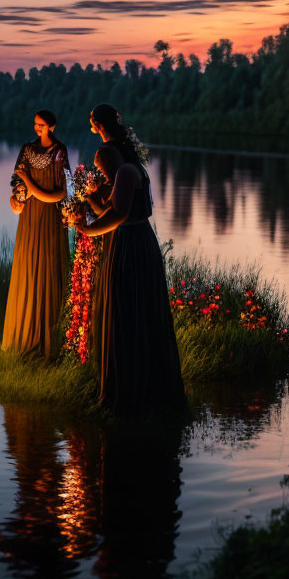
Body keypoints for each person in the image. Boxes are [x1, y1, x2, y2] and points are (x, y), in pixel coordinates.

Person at [76, 105, 185, 414]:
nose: (101, 173)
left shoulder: (123, 171)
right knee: (132, 310)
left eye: (100, 166)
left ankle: (130, 395)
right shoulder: (131, 167)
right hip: (135, 241)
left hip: (131, 246)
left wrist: (88, 229)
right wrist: (89, 199)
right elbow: (111, 209)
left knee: (128, 310)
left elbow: (119, 215)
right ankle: (134, 388)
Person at [2, 110, 70, 358]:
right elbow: (16, 182)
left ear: (51, 126)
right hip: (29, 217)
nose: (37, 127)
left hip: (50, 218)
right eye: (35, 124)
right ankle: (24, 334)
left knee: (48, 267)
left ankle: (49, 340)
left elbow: (63, 192)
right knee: (29, 266)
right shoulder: (27, 149)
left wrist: (29, 185)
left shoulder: (59, 150)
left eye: (41, 124)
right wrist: (15, 199)